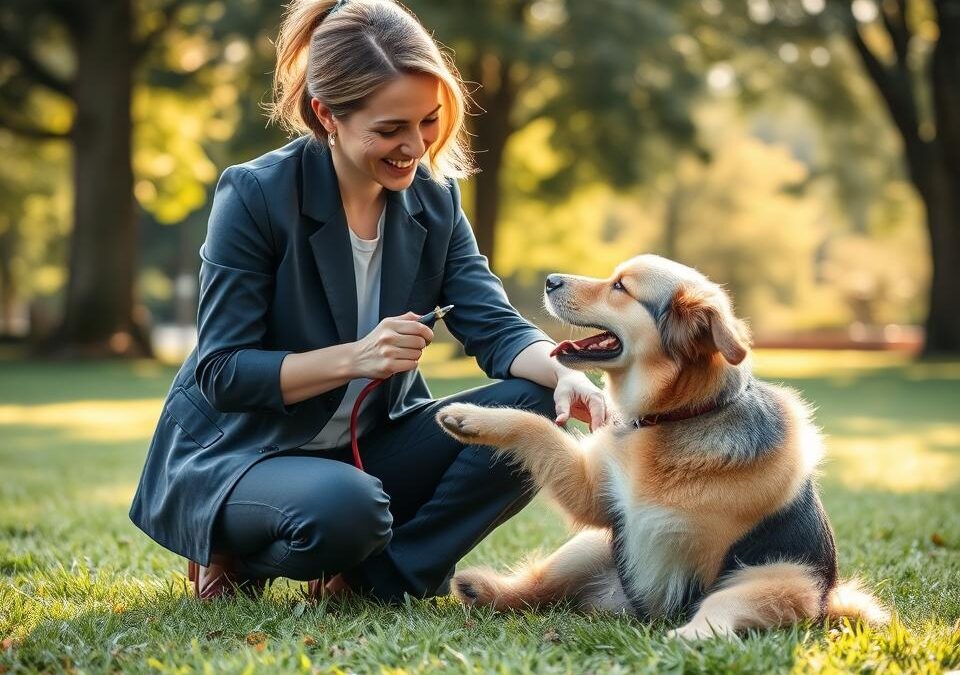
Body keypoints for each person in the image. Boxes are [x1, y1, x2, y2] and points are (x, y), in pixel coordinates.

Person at [129, 0, 608, 602]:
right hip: (243, 452)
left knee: (535, 409)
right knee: (348, 510)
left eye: (428, 121)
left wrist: (568, 377)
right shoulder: (255, 196)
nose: (415, 147)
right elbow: (222, 373)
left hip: (366, 449)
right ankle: (235, 549)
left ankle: (375, 579)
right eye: (389, 130)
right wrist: (356, 357)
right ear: (326, 114)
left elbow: (493, 325)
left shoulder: (435, 201)